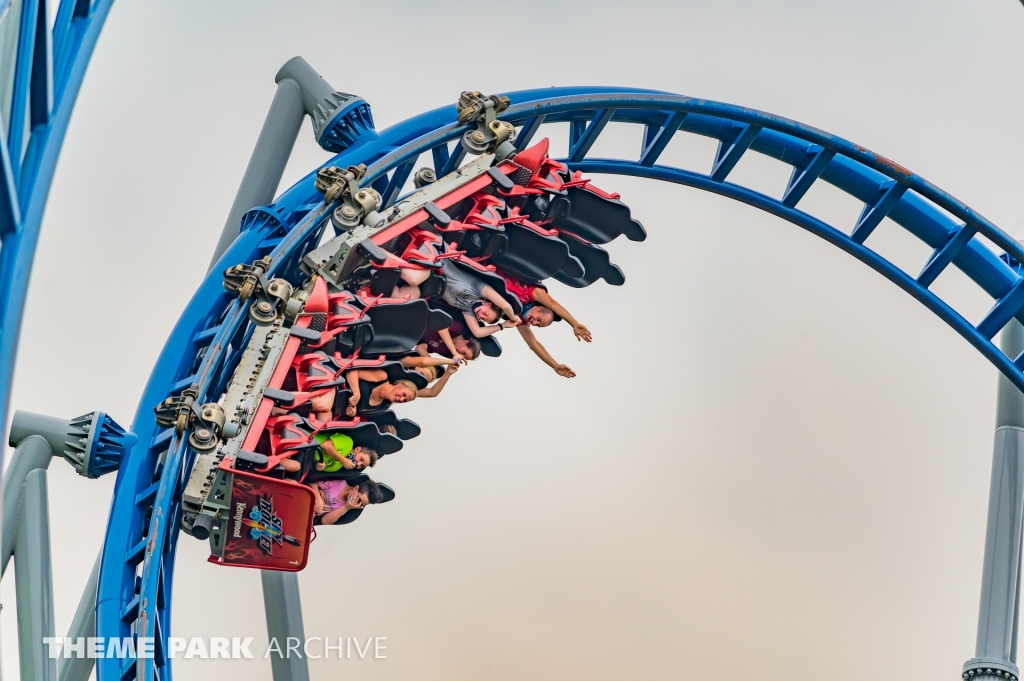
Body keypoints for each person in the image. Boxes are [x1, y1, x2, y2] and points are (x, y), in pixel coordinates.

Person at [470, 273, 593, 378]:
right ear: (540, 308)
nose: (534, 323)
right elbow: (552, 304)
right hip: (491, 271)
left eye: (537, 325)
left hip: (475, 288)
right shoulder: (533, 292)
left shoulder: (518, 318)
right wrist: (574, 323)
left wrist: (555, 365)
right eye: (538, 320)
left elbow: (533, 344)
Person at [395, 260, 521, 335]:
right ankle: (379, 253)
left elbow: (477, 332)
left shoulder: (468, 309)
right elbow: (505, 305)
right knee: (413, 279)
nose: (480, 316)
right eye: (486, 314)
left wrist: (502, 326)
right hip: (435, 266)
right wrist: (513, 318)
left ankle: (375, 271)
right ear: (489, 304)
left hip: (427, 284)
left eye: (483, 319)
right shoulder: (480, 289)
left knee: (401, 298)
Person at [343, 368, 418, 417]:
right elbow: (352, 371)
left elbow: (354, 413)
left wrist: (352, 413)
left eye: (404, 400)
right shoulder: (382, 377)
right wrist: (356, 393)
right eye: (404, 394)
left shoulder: (382, 407)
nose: (401, 399)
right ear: (400, 384)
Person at [310, 479, 384, 525]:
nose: (357, 504)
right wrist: (318, 502)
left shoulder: (347, 506)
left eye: (361, 505)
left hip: (310, 514)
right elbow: (312, 483)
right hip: (308, 498)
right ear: (356, 488)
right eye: (359, 500)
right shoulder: (340, 484)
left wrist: (346, 507)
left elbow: (324, 521)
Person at [414, 314, 481, 362]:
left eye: (463, 358)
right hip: (415, 316)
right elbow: (442, 328)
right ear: (465, 342)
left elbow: (420, 348)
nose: (460, 356)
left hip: (408, 333)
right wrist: (454, 352)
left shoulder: (445, 350)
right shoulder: (458, 328)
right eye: (464, 353)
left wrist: (431, 365)